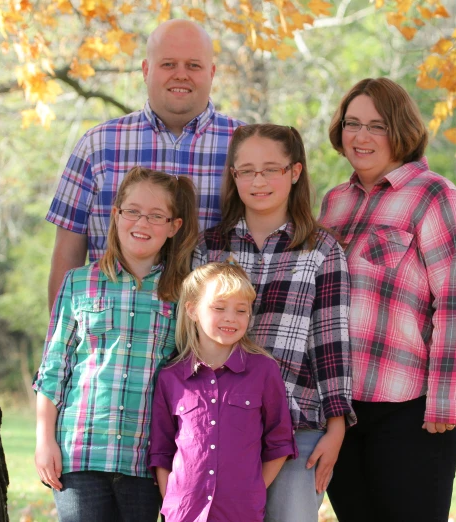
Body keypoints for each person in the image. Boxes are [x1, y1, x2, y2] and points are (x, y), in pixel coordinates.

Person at [318, 77, 456, 521]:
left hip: (412, 409)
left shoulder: (434, 195)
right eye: (352, 123)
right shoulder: (333, 203)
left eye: (377, 125)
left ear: (401, 131)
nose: (361, 136)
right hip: (343, 411)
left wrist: (445, 400)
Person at [195, 124, 356, 521]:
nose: (258, 180)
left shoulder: (321, 250)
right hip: (219, 426)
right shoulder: (209, 247)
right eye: (246, 170)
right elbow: (190, 339)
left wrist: (336, 429)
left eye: (271, 169)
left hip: (297, 424)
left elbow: (330, 342)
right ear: (233, 176)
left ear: (295, 172)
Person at [33, 167, 199, 521]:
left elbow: (188, 380)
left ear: (174, 226)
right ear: (116, 215)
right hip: (80, 452)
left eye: (157, 216)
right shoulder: (79, 283)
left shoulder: (184, 293)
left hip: (146, 459)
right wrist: (44, 440)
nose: (143, 222)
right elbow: (53, 370)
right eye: (133, 211)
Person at [46, 19, 245, 309]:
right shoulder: (98, 145)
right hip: (112, 335)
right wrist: (60, 340)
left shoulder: (244, 147)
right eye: (168, 64)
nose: (181, 75)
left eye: (193, 66)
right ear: (145, 70)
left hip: (213, 339)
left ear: (211, 73)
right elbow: (67, 254)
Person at [148, 262, 297, 522]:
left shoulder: (263, 370)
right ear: (192, 310)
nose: (231, 317)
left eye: (242, 310)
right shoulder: (170, 377)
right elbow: (161, 451)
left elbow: (280, 442)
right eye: (219, 308)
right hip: (183, 513)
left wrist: (253, 490)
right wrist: (172, 501)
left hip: (242, 513)